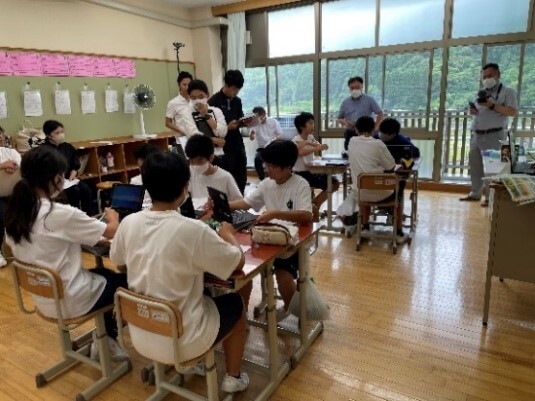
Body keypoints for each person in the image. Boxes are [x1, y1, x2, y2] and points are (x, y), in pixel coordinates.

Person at [109, 151, 249, 393]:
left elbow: (119, 262)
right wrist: (227, 234)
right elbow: (237, 263)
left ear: (146, 186)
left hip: (141, 332)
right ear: (186, 187)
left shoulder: (129, 223)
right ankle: (233, 378)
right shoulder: (193, 230)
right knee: (236, 303)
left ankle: (193, 366)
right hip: (182, 339)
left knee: (201, 293)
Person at [4, 146, 128, 360]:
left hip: (43, 296)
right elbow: (112, 231)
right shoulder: (59, 213)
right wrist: (112, 216)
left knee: (104, 274)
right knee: (125, 283)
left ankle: (105, 337)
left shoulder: (16, 212)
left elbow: (48, 239)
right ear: (56, 179)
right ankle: (108, 338)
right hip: (70, 299)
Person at [228, 139, 313, 317]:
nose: (267, 169)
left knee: (283, 276)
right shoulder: (267, 183)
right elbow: (246, 203)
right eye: (266, 164)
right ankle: (241, 317)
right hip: (268, 238)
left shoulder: (300, 184)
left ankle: (291, 309)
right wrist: (223, 205)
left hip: (291, 242)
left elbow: (306, 215)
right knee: (244, 269)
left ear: (288, 167)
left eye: (272, 166)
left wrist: (275, 213)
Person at [460, 63, 517, 206]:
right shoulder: (480, 93)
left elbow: (512, 111)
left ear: (498, 75)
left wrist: (492, 105)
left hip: (494, 135)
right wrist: (472, 111)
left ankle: (490, 198)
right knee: (475, 166)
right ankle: (475, 193)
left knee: (492, 168)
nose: (487, 79)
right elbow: (477, 111)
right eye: (484, 77)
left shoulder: (507, 92)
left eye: (490, 76)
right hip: (476, 135)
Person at [348, 116, 406, 243]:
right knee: (399, 189)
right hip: (382, 194)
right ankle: (399, 232)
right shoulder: (378, 144)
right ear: (374, 129)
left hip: (359, 194)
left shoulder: (352, 141)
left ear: (356, 129)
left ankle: (365, 227)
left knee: (364, 188)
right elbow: (391, 166)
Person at [292, 112, 340, 221]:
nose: (313, 126)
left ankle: (314, 204)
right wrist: (316, 147)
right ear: (301, 126)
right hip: (301, 175)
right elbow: (300, 153)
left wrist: (315, 145)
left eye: (313, 123)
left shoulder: (310, 137)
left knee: (335, 182)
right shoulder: (295, 140)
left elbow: (317, 144)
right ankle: (314, 206)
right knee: (330, 184)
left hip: (312, 172)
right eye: (310, 123)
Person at [42, 120, 95, 216]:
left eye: (62, 132)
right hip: (55, 182)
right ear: (49, 135)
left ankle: (89, 217)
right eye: (57, 133)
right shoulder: (43, 150)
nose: (61, 135)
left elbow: (75, 165)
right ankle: (75, 217)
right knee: (74, 191)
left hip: (69, 179)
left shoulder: (67, 147)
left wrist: (73, 174)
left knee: (86, 189)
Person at [209, 70, 248, 194]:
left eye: (238, 90)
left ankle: (241, 200)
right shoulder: (213, 102)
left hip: (237, 143)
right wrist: (227, 127)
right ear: (226, 84)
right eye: (234, 89)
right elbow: (210, 129)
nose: (236, 93)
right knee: (227, 176)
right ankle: (228, 203)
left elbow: (239, 118)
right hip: (223, 146)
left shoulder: (237, 101)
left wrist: (244, 122)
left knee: (241, 174)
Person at [179, 79, 227, 165]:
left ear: (207, 94)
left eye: (201, 97)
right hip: (199, 157)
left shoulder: (216, 111)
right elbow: (194, 135)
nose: (197, 100)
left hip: (218, 154)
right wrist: (216, 140)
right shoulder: (186, 113)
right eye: (193, 98)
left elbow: (222, 132)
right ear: (189, 97)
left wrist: (206, 115)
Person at [185, 134, 241, 201]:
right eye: (192, 162)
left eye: (199, 161)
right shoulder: (190, 172)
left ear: (211, 158)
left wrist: (221, 205)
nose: (195, 166)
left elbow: (239, 202)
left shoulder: (225, 178)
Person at [337, 76, 384, 151]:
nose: (355, 90)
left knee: (368, 152)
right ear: (349, 89)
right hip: (351, 132)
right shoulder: (345, 102)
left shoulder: (369, 100)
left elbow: (380, 113)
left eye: (357, 87)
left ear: (362, 87)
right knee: (350, 153)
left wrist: (375, 127)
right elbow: (339, 118)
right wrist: (345, 123)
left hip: (366, 133)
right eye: (352, 88)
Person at [0, 127, 21, 268]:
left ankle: (27, 248)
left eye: (0, 134)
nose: (0, 137)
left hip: (14, 192)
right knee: (3, 216)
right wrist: (2, 166)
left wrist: (12, 166)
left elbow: (19, 166)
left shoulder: (11, 152)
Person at [248, 106, 282, 180]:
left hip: (273, 146)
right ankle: (262, 179)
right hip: (262, 148)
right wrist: (252, 134)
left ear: (263, 114)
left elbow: (279, 134)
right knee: (257, 159)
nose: (256, 119)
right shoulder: (254, 123)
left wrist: (274, 139)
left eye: (257, 117)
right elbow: (252, 138)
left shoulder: (273, 121)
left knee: (277, 160)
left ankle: (278, 178)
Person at [130, 143, 161, 209]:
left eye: (147, 167)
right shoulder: (136, 181)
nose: (143, 171)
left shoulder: (168, 176)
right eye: (141, 167)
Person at [165, 71, 193, 145]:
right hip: (183, 140)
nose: (187, 87)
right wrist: (182, 131)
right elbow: (168, 123)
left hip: (197, 138)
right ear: (179, 85)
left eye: (189, 84)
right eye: (184, 84)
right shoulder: (173, 103)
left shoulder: (195, 100)